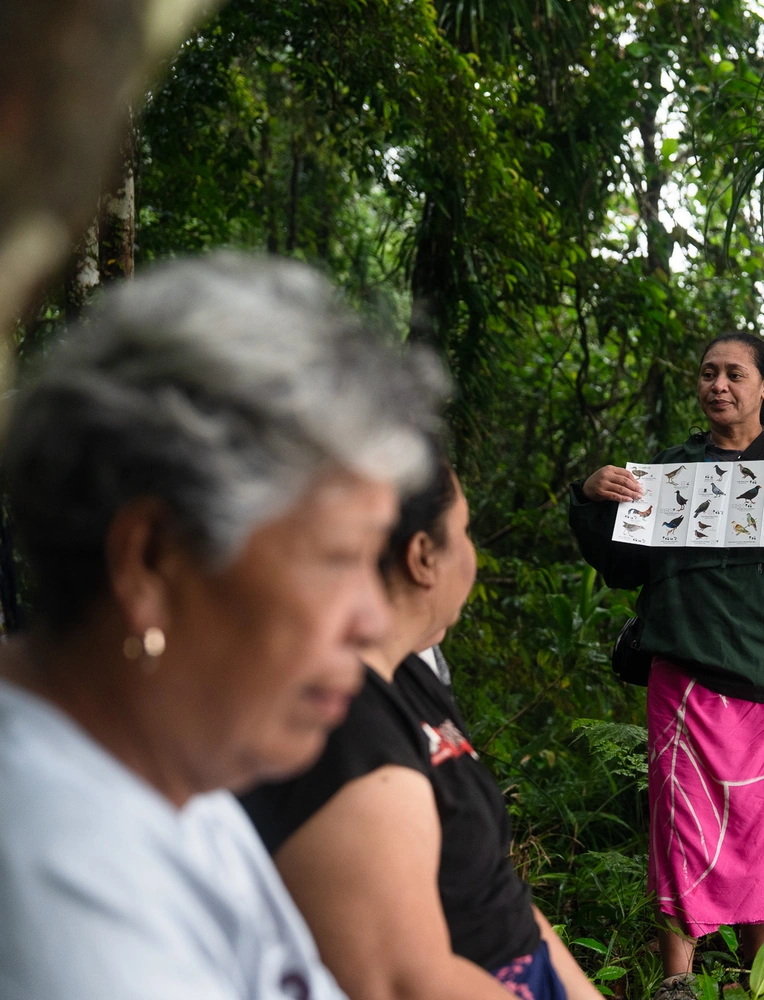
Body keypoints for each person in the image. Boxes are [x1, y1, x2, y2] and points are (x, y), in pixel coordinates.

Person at [0, 254, 445, 999]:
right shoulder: (59, 871)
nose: (372, 617)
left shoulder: (166, 759)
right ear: (151, 561)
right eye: (339, 558)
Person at [240, 455, 605, 1000]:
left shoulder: (411, 672)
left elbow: (498, 892)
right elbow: (403, 980)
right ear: (422, 557)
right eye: (464, 532)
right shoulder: (345, 731)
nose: (472, 552)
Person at [569, 332, 764, 998]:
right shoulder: (668, 470)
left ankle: (760, 982)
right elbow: (623, 565)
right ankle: (676, 982)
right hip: (688, 680)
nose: (718, 385)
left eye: (735, 374)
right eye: (708, 374)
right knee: (682, 827)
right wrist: (591, 497)